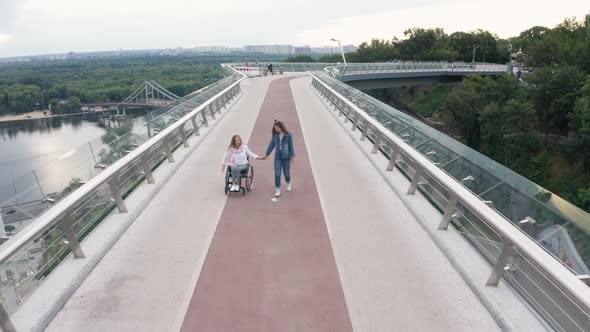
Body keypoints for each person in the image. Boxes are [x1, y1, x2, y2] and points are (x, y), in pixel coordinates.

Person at [263, 120, 295, 197]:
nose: (276, 130)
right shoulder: (275, 136)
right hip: (277, 157)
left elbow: (291, 146)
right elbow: (271, 146)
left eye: (277, 128)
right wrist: (266, 154)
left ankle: (288, 182)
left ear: (281, 127)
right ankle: (277, 188)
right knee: (277, 173)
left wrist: (292, 156)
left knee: (286, 172)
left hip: (286, 157)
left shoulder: (288, 135)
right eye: (275, 128)